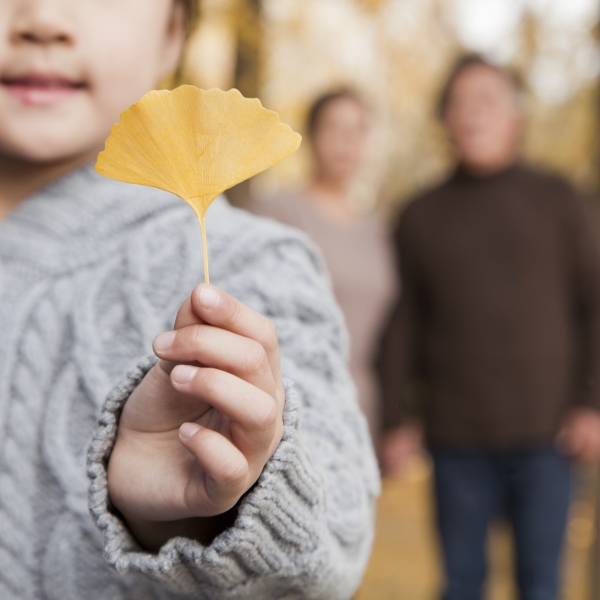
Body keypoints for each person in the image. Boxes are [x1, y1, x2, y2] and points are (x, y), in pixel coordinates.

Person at [0, 2, 379, 598]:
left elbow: (335, 543)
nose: (42, 18)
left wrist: (206, 508)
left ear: (172, 31)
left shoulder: (255, 264)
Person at [378, 55, 600, 600]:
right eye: (459, 103)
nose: (472, 114)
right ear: (445, 120)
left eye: (487, 100)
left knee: (541, 584)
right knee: (460, 585)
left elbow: (593, 305)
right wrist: (398, 417)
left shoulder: (560, 200)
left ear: (516, 117)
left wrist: (590, 403)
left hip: (549, 439)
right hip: (455, 441)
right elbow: (405, 322)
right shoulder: (419, 214)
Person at [252, 91, 398, 442]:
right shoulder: (277, 212)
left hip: (359, 406)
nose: (346, 143)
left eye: (357, 131)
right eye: (334, 128)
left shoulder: (378, 229)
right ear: (311, 135)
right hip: (290, 405)